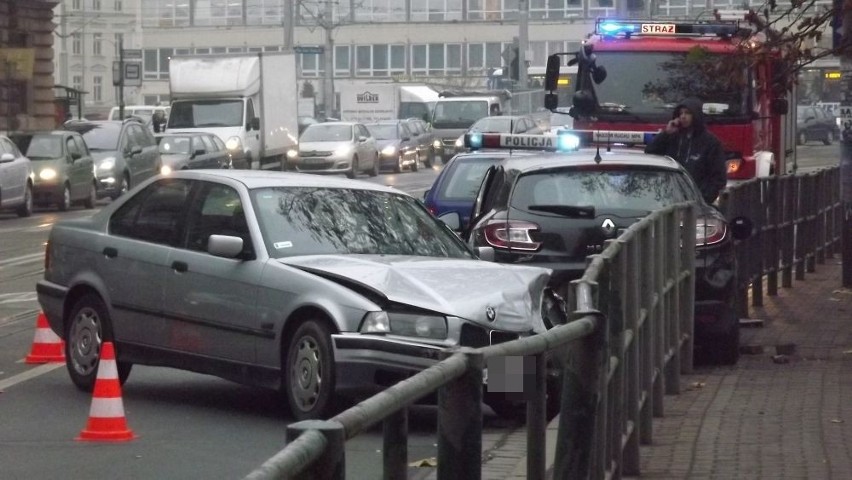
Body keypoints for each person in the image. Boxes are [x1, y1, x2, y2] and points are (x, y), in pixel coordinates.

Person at [645, 97, 727, 204]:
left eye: (687, 113)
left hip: (697, 201)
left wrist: (704, 199)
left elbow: (718, 178)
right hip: (669, 199)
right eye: (681, 113)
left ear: (696, 115)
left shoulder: (710, 142)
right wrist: (666, 134)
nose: (683, 116)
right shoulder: (672, 137)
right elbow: (650, 152)